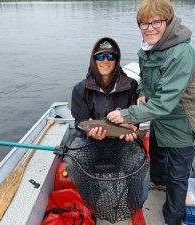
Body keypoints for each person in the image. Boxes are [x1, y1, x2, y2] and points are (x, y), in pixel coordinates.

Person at [107, 1, 195, 225]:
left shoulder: (181, 54)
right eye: (144, 23)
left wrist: (127, 115)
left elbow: (164, 102)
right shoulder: (148, 50)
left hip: (184, 125)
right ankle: (157, 182)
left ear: (168, 22)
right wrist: (142, 92)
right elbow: (146, 79)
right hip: (161, 122)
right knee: (158, 157)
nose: (149, 28)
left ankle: (172, 218)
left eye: (156, 22)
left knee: (178, 176)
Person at [70, 37, 148, 225]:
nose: (105, 60)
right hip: (91, 142)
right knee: (74, 163)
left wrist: (134, 129)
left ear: (117, 59)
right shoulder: (80, 90)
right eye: (100, 56)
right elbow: (80, 123)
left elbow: (135, 117)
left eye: (111, 56)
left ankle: (135, 205)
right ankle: (92, 204)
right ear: (93, 59)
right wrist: (89, 132)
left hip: (122, 141)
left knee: (139, 162)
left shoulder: (131, 86)